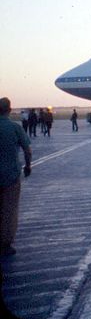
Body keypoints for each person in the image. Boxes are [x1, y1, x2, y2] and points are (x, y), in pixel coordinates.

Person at [0, 97, 32, 257]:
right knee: (9, 210)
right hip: (10, 175)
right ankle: (6, 244)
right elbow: (27, 149)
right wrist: (28, 166)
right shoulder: (14, 127)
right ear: (9, 110)